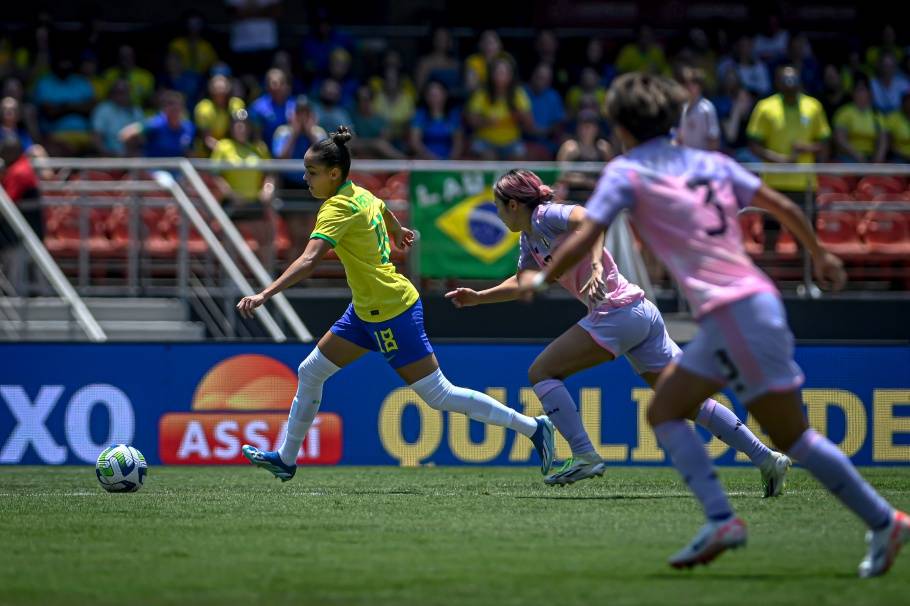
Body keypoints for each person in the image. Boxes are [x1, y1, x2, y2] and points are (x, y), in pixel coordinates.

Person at [523, 72, 909, 576]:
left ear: (621, 126)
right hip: (759, 303)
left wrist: (541, 277)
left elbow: (587, 231)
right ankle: (873, 520)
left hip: (732, 314)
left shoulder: (627, 170)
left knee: (747, 427)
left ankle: (747, 517)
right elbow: (786, 206)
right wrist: (822, 257)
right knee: (677, 410)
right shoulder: (711, 162)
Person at [236, 126, 556, 480]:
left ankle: (533, 428)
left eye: (311, 173)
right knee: (310, 371)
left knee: (439, 394)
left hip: (391, 312)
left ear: (333, 173)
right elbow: (383, 207)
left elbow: (310, 260)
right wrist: (398, 229)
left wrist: (265, 293)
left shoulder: (335, 209)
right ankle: (286, 458)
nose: (305, 179)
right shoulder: (360, 194)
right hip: (364, 311)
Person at [446, 169, 792, 490]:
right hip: (640, 313)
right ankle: (767, 459)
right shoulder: (529, 240)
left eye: (498, 207)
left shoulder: (545, 215)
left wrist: (596, 264)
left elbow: (589, 219)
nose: (498, 214)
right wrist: (479, 298)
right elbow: (524, 284)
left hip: (617, 312)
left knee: (542, 372)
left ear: (514, 204)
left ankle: (584, 454)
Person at [747, 66, 830, 250]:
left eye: (793, 81)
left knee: (806, 238)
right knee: (770, 237)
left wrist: (806, 147)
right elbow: (754, 144)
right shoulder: (765, 107)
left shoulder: (813, 107)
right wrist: (777, 159)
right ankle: (768, 278)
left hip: (804, 184)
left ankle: (808, 279)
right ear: (778, 83)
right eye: (785, 81)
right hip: (773, 184)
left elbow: (825, 144)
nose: (790, 84)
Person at [211, 109, 275, 266]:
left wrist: (267, 189)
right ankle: (229, 284)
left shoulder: (259, 147)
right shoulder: (224, 146)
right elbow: (215, 175)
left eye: (244, 125)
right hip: (232, 203)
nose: (241, 128)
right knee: (230, 241)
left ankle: (266, 280)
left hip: (254, 202)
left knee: (266, 237)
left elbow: (270, 173)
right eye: (237, 125)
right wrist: (230, 194)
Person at [272, 96, 327, 260]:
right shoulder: (283, 132)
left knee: (307, 237)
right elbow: (281, 157)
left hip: (312, 188)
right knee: (295, 235)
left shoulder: (318, 133)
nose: (302, 117)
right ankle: (293, 277)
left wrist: (309, 132)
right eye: (299, 113)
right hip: (290, 187)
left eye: (306, 113)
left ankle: (302, 280)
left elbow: (323, 157)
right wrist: (295, 133)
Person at [466, 57, 532, 160]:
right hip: (485, 141)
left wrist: (520, 115)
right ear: (492, 75)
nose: (501, 76)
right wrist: (486, 121)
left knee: (520, 155)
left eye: (504, 73)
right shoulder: (482, 94)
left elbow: (530, 123)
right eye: (498, 72)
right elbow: (471, 121)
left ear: (510, 75)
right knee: (486, 154)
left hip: (511, 142)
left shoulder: (518, 94)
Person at [119, 90, 194, 158]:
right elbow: (125, 134)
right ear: (164, 108)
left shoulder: (188, 127)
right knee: (163, 174)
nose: (175, 108)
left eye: (178, 105)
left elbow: (188, 151)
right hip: (155, 167)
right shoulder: (155, 124)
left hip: (179, 168)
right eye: (170, 105)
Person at [832, 75, 886, 163]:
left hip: (870, 157)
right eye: (858, 90)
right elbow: (840, 139)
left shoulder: (876, 114)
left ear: (869, 93)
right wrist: (857, 155)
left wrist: (878, 159)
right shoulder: (844, 113)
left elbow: (883, 140)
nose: (861, 93)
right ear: (852, 93)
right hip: (849, 156)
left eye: (863, 90)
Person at [409, 80, 463, 160]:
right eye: (431, 95)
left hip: (449, 161)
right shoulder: (420, 115)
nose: (434, 98)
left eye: (437, 95)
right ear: (426, 97)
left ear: (445, 95)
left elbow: (458, 143)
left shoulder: (453, 115)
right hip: (425, 160)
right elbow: (415, 142)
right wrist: (432, 159)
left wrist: (450, 161)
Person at [194, 74, 246, 153]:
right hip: (207, 153)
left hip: (234, 149)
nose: (221, 94)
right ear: (211, 91)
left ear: (229, 89)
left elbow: (242, 128)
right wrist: (225, 151)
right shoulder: (204, 108)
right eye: (217, 91)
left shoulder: (237, 104)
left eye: (223, 90)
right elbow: (207, 139)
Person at [90, 79, 143, 156]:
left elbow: (143, 137)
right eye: (118, 92)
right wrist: (105, 153)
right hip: (109, 155)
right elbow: (96, 135)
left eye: (125, 92)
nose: (122, 95)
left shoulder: (136, 111)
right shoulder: (103, 109)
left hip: (132, 155)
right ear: (112, 93)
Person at [676, 66, 720, 151]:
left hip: (702, 159)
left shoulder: (707, 108)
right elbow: (680, 138)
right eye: (686, 84)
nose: (688, 87)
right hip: (686, 158)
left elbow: (714, 139)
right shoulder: (682, 107)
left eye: (692, 84)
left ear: (699, 87)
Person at [249, 68, 294, 146]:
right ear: (267, 86)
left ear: (286, 85)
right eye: (274, 83)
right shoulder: (258, 107)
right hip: (264, 154)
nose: (277, 87)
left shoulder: (294, 106)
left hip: (289, 154)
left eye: (282, 83)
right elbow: (255, 137)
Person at [884, 91, 910, 162]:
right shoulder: (893, 117)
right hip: (899, 156)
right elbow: (889, 144)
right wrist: (906, 156)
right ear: (902, 103)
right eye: (907, 101)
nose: (909, 104)